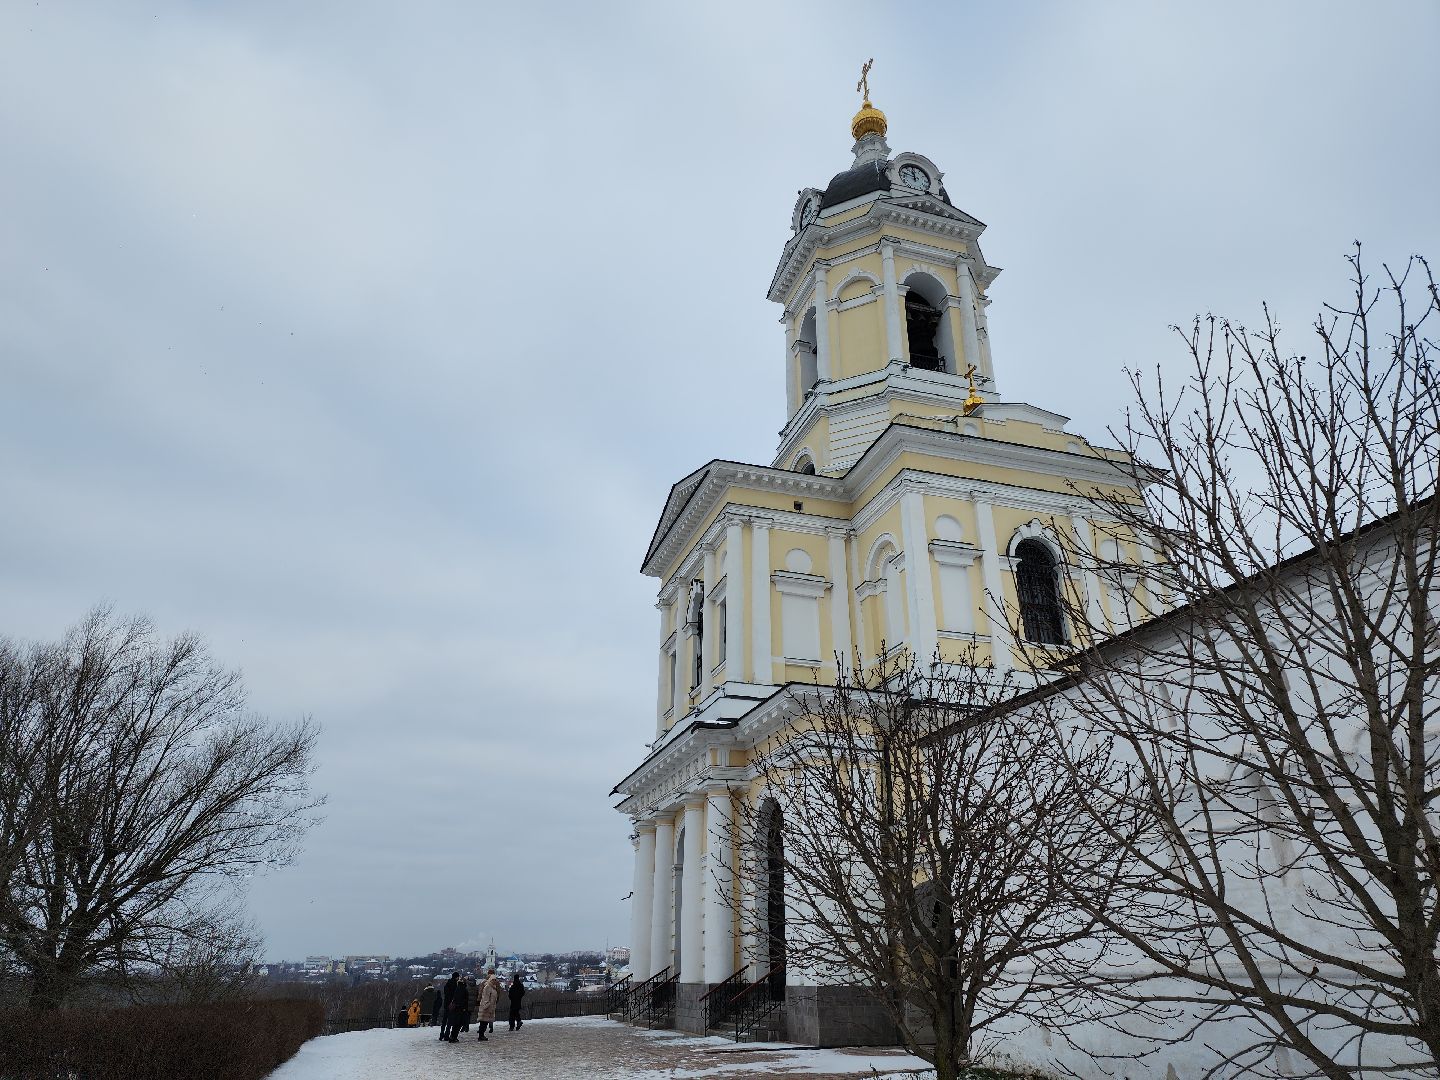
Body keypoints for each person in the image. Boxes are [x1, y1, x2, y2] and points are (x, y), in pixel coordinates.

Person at [476, 968, 500, 1040]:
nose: (495, 981)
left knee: (485, 1021)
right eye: (494, 980)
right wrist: (487, 1004)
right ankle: (481, 1035)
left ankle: (482, 1034)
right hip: (486, 1006)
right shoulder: (488, 986)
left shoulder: (493, 987)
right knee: (484, 1021)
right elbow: (485, 996)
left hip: (490, 1006)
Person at [446, 973, 470, 1043]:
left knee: (456, 1023)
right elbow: (464, 1000)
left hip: (457, 1008)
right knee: (458, 1024)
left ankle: (453, 1037)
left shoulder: (458, 988)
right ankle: (453, 1037)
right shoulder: (463, 989)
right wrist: (464, 1008)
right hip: (461, 1008)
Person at [438, 971, 460, 1042]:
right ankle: (446, 1035)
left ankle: (441, 1035)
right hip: (451, 1005)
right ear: (456, 977)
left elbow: (446, 994)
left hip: (446, 1004)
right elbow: (455, 995)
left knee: (444, 1021)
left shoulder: (447, 984)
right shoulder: (455, 984)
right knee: (449, 1021)